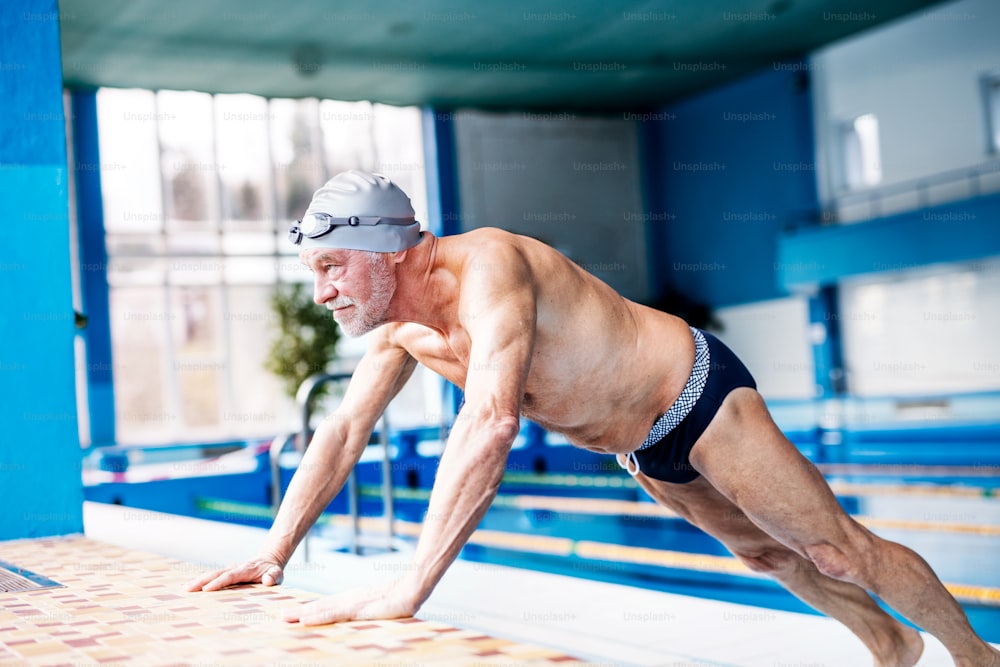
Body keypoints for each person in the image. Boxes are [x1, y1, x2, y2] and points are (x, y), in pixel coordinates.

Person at [187, 171, 999, 666]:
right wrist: (275, 548)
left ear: (389, 249)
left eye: (332, 265)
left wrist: (409, 585)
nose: (322, 289)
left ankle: (975, 653)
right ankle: (891, 645)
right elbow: (341, 430)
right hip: (641, 445)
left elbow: (491, 421)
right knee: (765, 555)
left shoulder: (490, 267)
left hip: (694, 394)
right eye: (314, 272)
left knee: (832, 547)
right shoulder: (402, 329)